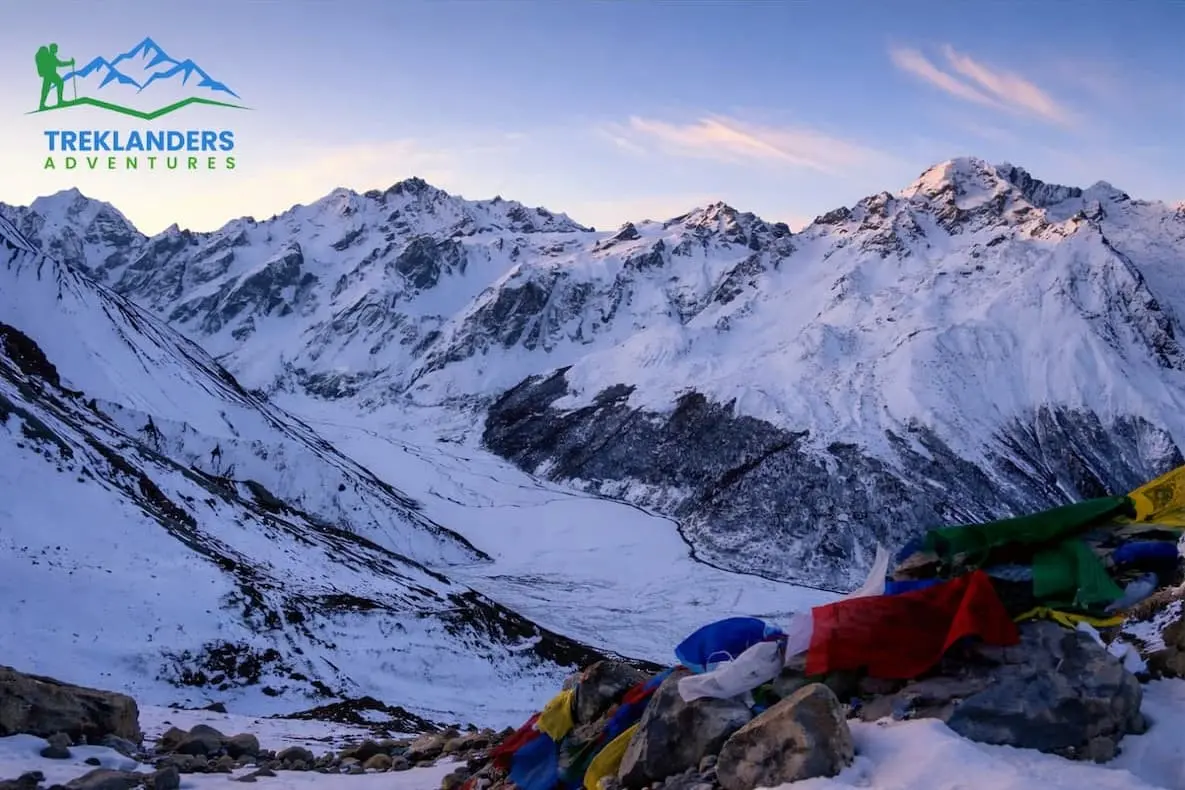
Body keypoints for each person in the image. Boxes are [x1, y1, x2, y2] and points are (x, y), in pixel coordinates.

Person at [36, 44, 75, 110]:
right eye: (55, 48)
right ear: (53, 49)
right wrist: (70, 63)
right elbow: (60, 64)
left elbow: (60, 64)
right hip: (50, 74)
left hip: (49, 75)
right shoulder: (50, 56)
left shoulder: (50, 56)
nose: (56, 50)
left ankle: (42, 105)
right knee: (57, 84)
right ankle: (59, 101)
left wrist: (70, 63)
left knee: (46, 89)